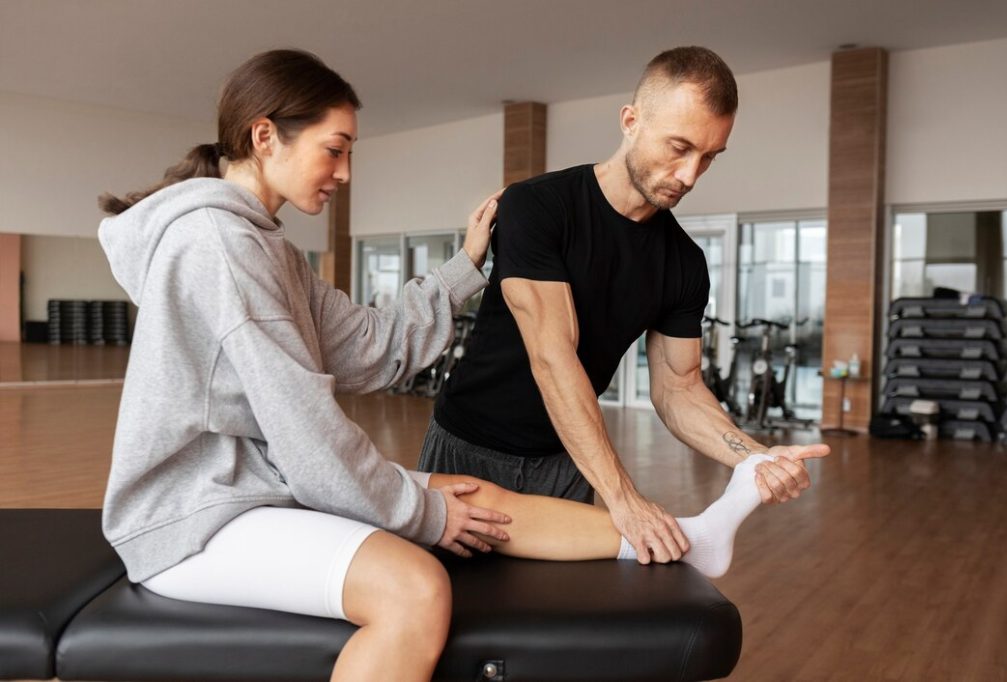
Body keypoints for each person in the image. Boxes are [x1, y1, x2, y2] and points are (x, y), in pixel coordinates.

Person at [97, 49, 823, 682]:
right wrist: (427, 509)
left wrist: (462, 268)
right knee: (417, 585)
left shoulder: (268, 250)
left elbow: (367, 347)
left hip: (257, 486)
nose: (345, 173)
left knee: (472, 500)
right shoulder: (221, 248)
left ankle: (696, 534)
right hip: (199, 512)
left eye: (709, 158)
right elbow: (310, 428)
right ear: (265, 137)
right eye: (335, 149)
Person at [419, 46, 831, 565]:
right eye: (679, 147)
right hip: (469, 450)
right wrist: (623, 497)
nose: (690, 175)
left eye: (709, 157)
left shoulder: (684, 263)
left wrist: (755, 457)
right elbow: (552, 356)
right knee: (449, 601)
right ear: (631, 121)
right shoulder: (537, 207)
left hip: (569, 462)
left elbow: (679, 388)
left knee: (550, 611)